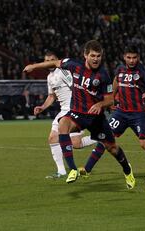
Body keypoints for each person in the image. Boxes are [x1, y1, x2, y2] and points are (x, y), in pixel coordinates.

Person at [23, 40, 135, 188]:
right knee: (63, 124)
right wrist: (33, 66)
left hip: (96, 118)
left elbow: (110, 100)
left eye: (99, 56)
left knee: (112, 148)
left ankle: (127, 171)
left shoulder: (103, 75)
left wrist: (100, 104)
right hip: (77, 114)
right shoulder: (73, 65)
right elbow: (54, 63)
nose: (96, 59)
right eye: (93, 55)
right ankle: (73, 170)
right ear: (85, 55)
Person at [79, 45, 145, 185]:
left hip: (138, 114)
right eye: (129, 57)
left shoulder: (143, 71)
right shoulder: (120, 69)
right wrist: (111, 99)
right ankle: (87, 169)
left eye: (134, 57)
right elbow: (116, 81)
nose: (132, 60)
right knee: (105, 140)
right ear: (124, 57)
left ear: (138, 58)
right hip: (121, 113)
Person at [33, 51, 97, 179]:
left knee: (65, 141)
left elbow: (76, 87)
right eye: (46, 60)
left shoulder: (63, 71)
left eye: (51, 59)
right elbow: (52, 96)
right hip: (64, 110)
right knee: (66, 141)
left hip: (73, 109)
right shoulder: (49, 77)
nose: (48, 62)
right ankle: (61, 171)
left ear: (57, 60)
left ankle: (101, 136)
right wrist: (42, 107)